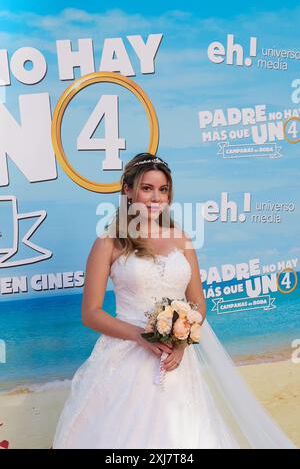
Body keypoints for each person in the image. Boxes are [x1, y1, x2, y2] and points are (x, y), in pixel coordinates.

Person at [52, 153, 296, 449]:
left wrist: (182, 341)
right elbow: (90, 313)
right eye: (147, 188)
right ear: (127, 191)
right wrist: (140, 335)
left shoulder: (182, 239)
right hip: (127, 358)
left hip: (177, 361)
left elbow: (198, 303)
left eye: (163, 189)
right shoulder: (109, 243)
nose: (156, 198)